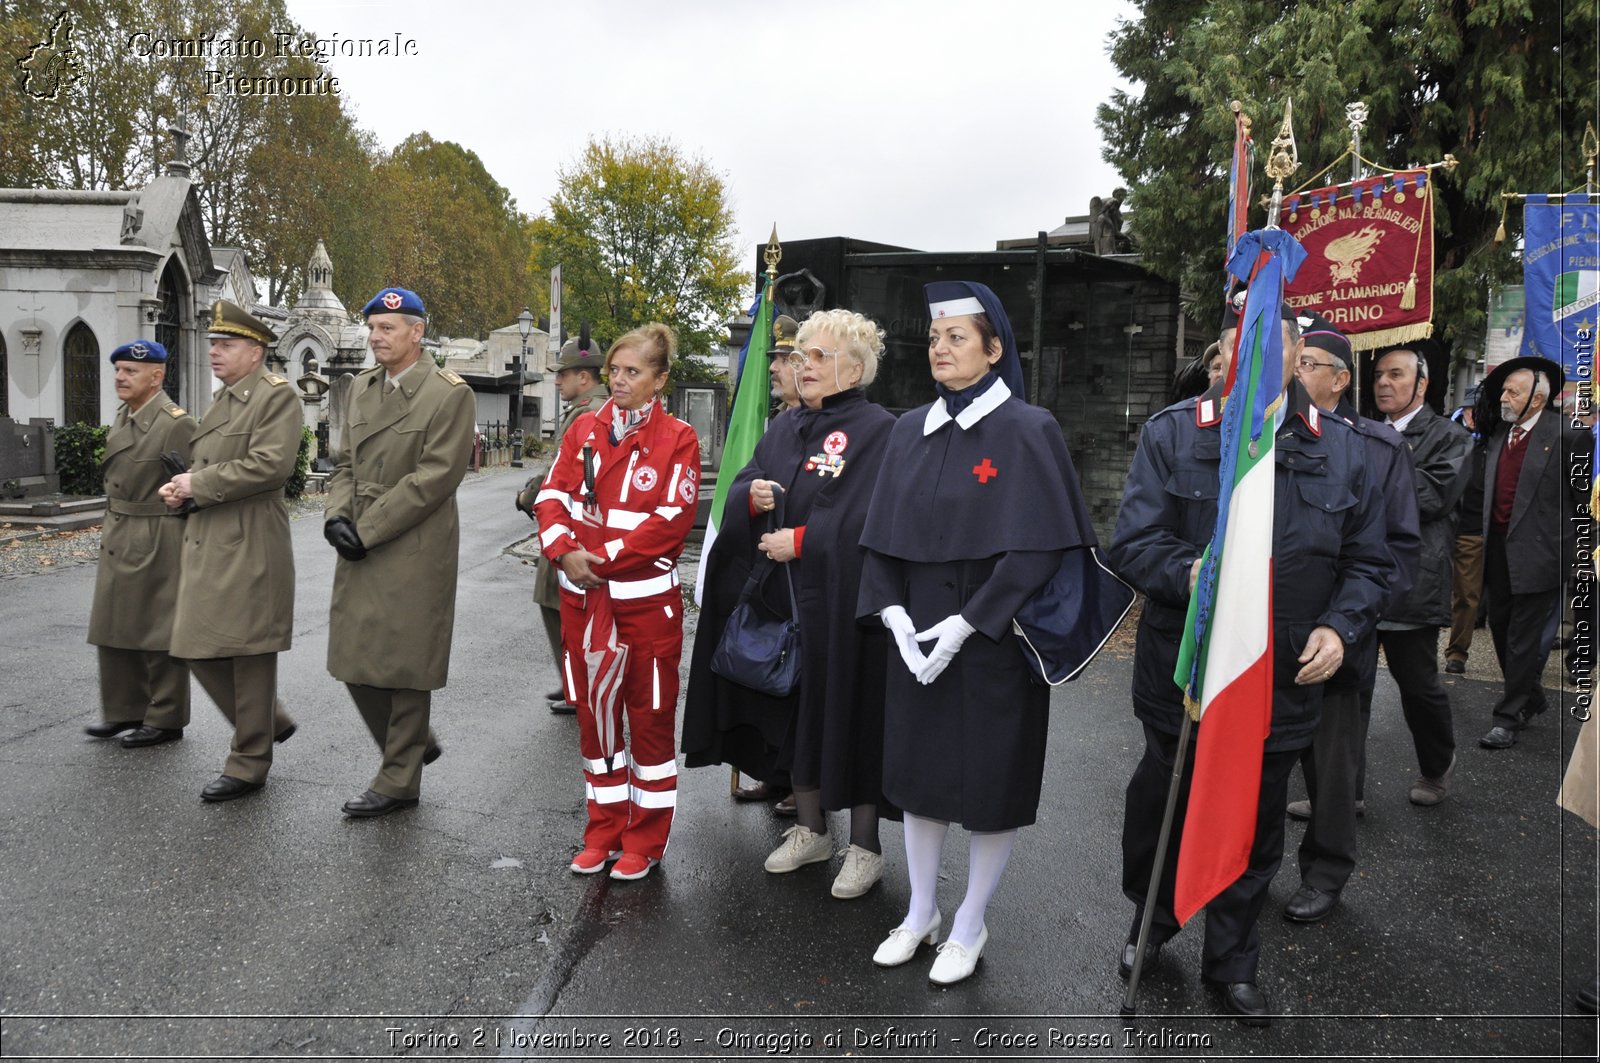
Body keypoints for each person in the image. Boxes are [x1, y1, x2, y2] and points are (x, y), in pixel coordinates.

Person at [1109, 293, 1389, 1024]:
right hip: (1189, 669)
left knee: (1254, 820)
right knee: (1160, 808)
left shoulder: (1344, 445)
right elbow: (1133, 541)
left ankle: (1232, 960)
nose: (1257, 353)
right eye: (1243, 339)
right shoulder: (1176, 433)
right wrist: (1191, 573)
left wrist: (1339, 627)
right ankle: (1154, 921)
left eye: (1277, 341)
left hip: (1284, 671)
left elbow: (1369, 560)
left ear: (1302, 355)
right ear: (1224, 353)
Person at [858, 281, 1099, 984]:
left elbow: (1040, 547)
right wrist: (897, 619)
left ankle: (971, 919)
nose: (940, 348)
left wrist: (966, 625)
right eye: (935, 338)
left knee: (991, 781)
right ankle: (921, 910)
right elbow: (880, 540)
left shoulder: (1029, 429)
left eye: (957, 337)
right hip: (915, 634)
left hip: (995, 635)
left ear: (994, 350)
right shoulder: (909, 428)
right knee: (919, 776)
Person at [684, 309, 896, 898]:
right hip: (786, 602)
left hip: (843, 607)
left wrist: (803, 540)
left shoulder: (879, 430)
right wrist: (747, 498)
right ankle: (811, 831)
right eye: (801, 356)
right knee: (796, 717)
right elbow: (748, 479)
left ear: (854, 369)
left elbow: (871, 515)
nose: (803, 366)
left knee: (849, 719)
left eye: (818, 357)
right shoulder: (785, 426)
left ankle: (865, 847)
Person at [533, 323, 699, 881]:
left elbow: (668, 526)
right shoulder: (585, 427)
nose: (620, 380)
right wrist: (562, 553)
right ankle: (602, 830)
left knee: (648, 723)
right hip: (583, 605)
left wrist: (593, 561)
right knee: (594, 720)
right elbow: (552, 496)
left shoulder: (678, 438)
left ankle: (645, 840)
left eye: (634, 372)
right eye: (616, 370)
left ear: (659, 380)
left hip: (645, 609)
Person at [1281, 315, 1418, 924]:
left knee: (1332, 772)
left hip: (1341, 636)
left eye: (1307, 363)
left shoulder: (1377, 448)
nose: (1295, 369)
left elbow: (1396, 555)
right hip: (1271, 632)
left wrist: (1344, 625)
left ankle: (1327, 874)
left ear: (1339, 382)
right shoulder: (1268, 435)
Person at [323, 287, 474, 817]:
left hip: (414, 542)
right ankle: (413, 743)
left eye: (388, 328)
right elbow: (345, 463)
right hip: (362, 533)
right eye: (371, 328)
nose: (375, 336)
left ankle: (398, 779)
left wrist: (368, 529)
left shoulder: (448, 393)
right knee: (354, 658)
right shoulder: (362, 387)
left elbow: (434, 479)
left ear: (417, 332)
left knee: (404, 663)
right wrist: (337, 516)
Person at [159, 300, 300, 802]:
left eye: (226, 344)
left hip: (250, 539)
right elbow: (211, 465)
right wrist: (182, 489)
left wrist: (198, 482)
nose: (214, 351)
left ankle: (248, 761)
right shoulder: (222, 399)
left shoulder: (276, 397)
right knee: (192, 644)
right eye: (213, 343)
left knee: (249, 653)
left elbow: (270, 466)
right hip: (210, 537)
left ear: (256, 351)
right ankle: (267, 718)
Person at [682, 312, 803, 809]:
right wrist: (748, 498)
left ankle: (801, 784)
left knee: (794, 683)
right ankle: (773, 775)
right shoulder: (777, 425)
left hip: (800, 580)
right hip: (763, 573)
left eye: (783, 361)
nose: (773, 369)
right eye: (771, 360)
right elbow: (739, 485)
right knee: (760, 684)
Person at [1367, 345, 1472, 804]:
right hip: (1359, 578)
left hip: (1411, 579)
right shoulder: (1363, 432)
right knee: (1346, 690)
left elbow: (1430, 499)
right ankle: (1338, 789)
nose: (1384, 384)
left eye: (1396, 375)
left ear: (1422, 384)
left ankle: (1436, 765)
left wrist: (1373, 468)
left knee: (1418, 687)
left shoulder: (1449, 438)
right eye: (1378, 376)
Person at [84, 340, 196, 747]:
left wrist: (188, 484)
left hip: (157, 530)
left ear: (157, 376)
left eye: (130, 371)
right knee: (112, 623)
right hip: (119, 527)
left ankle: (165, 718)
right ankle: (122, 710)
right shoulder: (124, 414)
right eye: (118, 370)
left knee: (157, 628)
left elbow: (195, 481)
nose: (120, 377)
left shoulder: (174, 422)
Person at [1475, 356, 1585, 749]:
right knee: (1501, 631)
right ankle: (1532, 696)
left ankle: (1507, 717)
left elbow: (1583, 502)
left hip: (1543, 555)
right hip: (1499, 553)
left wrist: (1575, 552)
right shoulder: (1500, 436)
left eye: (1512, 391)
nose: (1503, 397)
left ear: (1537, 401)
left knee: (1522, 637)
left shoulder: (1569, 435)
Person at [517, 327, 610, 716]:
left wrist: (528, 496)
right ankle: (574, 681)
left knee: (559, 602)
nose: (557, 380)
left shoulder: (589, 413)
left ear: (584, 377)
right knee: (557, 602)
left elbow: (564, 471)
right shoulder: (591, 408)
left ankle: (580, 687)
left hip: (572, 526)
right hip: (577, 523)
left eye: (564, 373)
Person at [1445, 389, 1487, 674]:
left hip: (1472, 529)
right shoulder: (1449, 437)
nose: (1472, 416)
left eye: (1477, 411)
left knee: (1466, 595)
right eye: (1468, 410)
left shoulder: (1493, 443)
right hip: (1443, 525)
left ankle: (1457, 652)